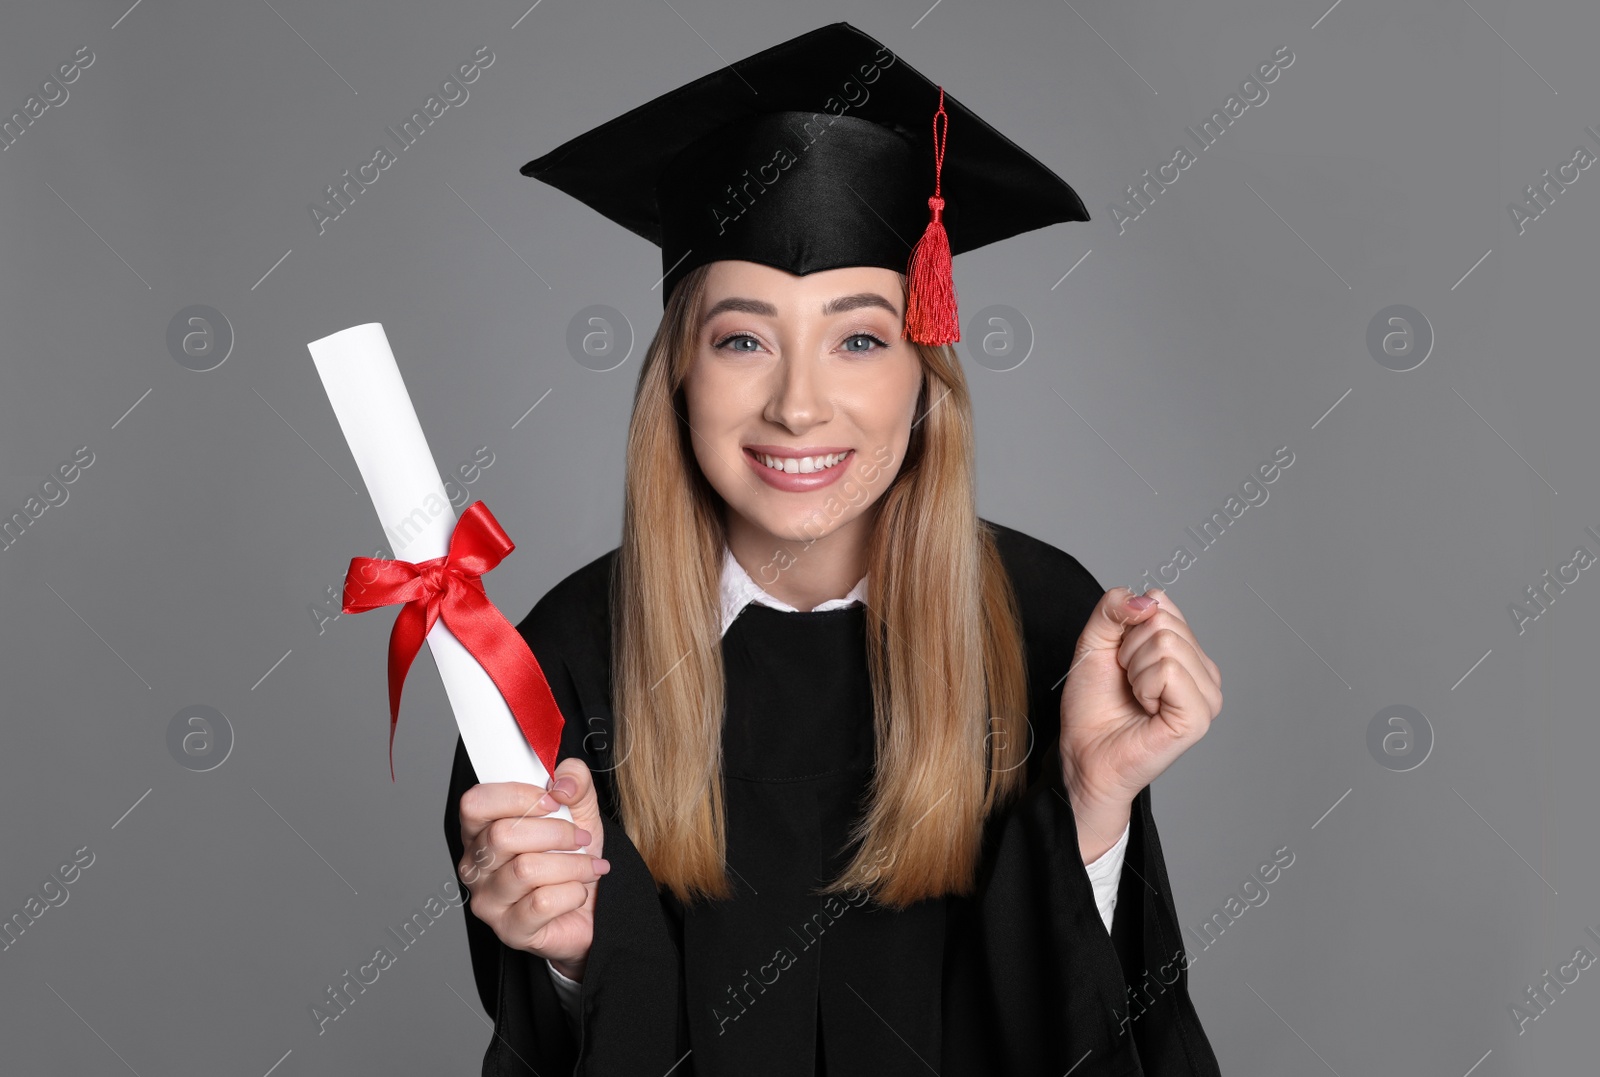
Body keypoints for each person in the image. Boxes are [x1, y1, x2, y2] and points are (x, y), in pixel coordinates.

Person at [443, 21, 1223, 1076]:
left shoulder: (1039, 620)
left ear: (924, 373)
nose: (799, 406)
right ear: (678, 373)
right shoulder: (557, 661)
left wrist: (1090, 802)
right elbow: (557, 1041)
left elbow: (1105, 1027)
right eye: (741, 339)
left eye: (859, 338)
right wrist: (573, 951)